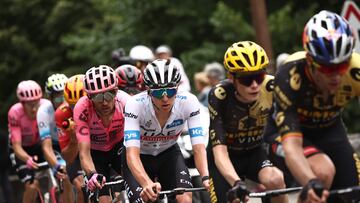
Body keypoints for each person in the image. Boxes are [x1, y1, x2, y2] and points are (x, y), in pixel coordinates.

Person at [264, 10, 359, 203]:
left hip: (329, 128)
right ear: (310, 61)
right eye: (327, 68)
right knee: (322, 174)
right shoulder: (290, 76)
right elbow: (292, 147)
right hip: (288, 133)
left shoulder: (356, 70)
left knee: (353, 194)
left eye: (342, 66)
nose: (336, 76)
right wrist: (310, 182)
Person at [207, 41, 288, 203]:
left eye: (259, 77)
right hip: (225, 157)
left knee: (275, 180)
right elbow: (220, 151)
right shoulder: (220, 95)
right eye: (246, 80)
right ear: (231, 78)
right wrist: (237, 183)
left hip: (254, 152)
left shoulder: (272, 87)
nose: (254, 85)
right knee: (234, 199)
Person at [123, 59, 210, 203]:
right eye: (158, 93)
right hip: (140, 157)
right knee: (145, 199)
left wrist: (205, 177)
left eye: (170, 91)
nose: (165, 98)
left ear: (177, 88)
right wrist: (146, 183)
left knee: (185, 199)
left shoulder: (189, 102)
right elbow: (132, 153)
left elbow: (199, 148)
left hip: (168, 154)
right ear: (148, 91)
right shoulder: (134, 105)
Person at [74, 65, 131, 202]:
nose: (104, 102)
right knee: (104, 199)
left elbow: (138, 142)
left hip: (119, 149)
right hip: (95, 155)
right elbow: (84, 152)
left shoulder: (126, 103)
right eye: (98, 97)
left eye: (110, 94)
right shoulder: (82, 109)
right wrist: (92, 174)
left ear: (116, 91)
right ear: (89, 97)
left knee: (137, 188)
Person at [8, 80, 48, 203]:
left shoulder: (46, 106)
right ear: (22, 103)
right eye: (30, 104)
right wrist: (27, 159)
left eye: (37, 102)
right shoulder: (15, 113)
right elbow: (17, 146)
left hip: (40, 145)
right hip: (22, 150)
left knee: (62, 175)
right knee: (31, 186)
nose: (35, 108)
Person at [37, 73, 74, 202]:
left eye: (64, 97)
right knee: (66, 177)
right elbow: (46, 147)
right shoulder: (43, 111)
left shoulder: (74, 105)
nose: (63, 102)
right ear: (50, 98)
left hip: (71, 143)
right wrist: (57, 166)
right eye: (58, 99)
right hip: (55, 147)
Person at [55, 74, 87, 203]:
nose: (78, 109)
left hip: (100, 149)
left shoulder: (102, 106)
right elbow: (68, 158)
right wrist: (73, 140)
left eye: (82, 104)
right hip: (77, 156)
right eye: (73, 106)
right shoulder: (62, 113)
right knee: (81, 188)